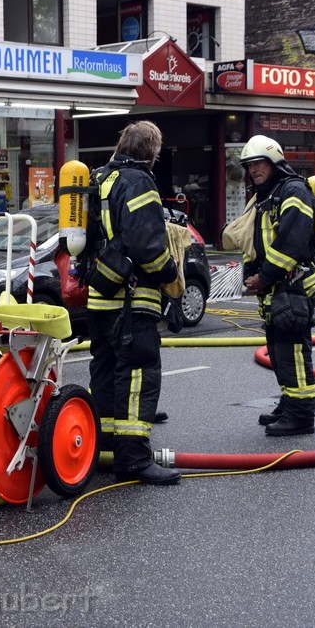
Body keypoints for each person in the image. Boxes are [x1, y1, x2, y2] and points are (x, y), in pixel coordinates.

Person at [86, 120, 181, 486]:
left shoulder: (99, 178)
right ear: (152, 153)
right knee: (138, 373)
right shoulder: (139, 181)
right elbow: (146, 244)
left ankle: (104, 445)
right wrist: (169, 275)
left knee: (107, 372)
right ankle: (133, 458)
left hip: (100, 297)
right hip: (132, 299)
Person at [240, 135, 315, 437]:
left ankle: (301, 416)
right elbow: (253, 238)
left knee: (293, 351)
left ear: (274, 161)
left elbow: (291, 241)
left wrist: (265, 276)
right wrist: (250, 272)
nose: (253, 170)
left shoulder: (294, 190)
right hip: (274, 288)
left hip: (291, 285)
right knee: (278, 350)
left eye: (258, 163)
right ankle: (289, 403)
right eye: (249, 166)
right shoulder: (264, 195)